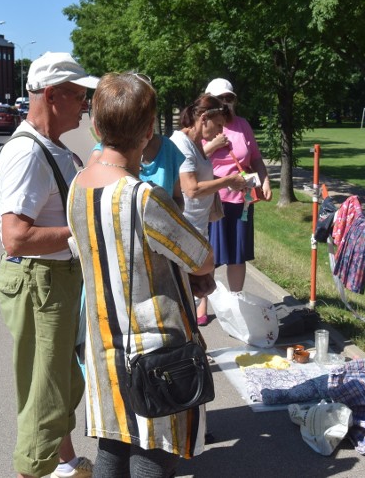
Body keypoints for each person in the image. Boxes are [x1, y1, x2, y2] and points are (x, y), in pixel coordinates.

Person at [67, 72, 216, 478]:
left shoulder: (78, 188)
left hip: (103, 349)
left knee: (112, 453)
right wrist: (195, 274)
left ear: (96, 127)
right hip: (154, 353)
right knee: (154, 455)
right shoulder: (143, 196)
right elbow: (201, 257)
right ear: (149, 130)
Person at [0, 51, 98, 478]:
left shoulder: (50, 147)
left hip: (54, 281)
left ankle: (65, 462)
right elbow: (16, 236)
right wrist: (81, 233)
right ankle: (34, 469)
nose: (85, 105)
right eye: (78, 96)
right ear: (52, 95)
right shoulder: (28, 153)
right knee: (45, 395)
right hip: (42, 283)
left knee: (59, 384)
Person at [170, 93, 248, 325]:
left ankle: (192, 345)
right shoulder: (182, 145)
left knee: (195, 292)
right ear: (204, 118)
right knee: (185, 296)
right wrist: (227, 181)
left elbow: (199, 176)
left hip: (196, 228)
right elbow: (191, 188)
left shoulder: (194, 144)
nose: (219, 133)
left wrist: (232, 181)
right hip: (185, 231)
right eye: (218, 125)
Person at [203, 78, 273, 294]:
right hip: (212, 200)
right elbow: (190, 160)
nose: (225, 102)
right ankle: (202, 302)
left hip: (241, 202)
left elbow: (256, 158)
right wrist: (213, 146)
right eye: (220, 98)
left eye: (229, 98)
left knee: (237, 254)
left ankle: (236, 302)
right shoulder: (204, 125)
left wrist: (265, 180)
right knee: (208, 255)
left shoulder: (242, 125)